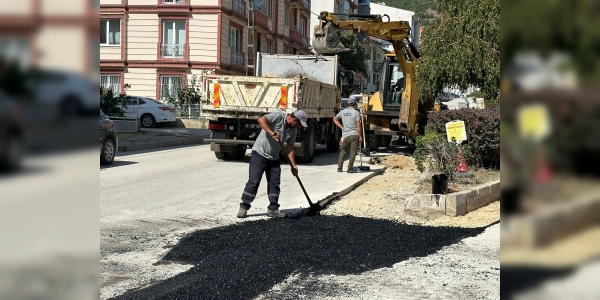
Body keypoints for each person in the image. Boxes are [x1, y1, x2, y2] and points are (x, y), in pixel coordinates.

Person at [237, 110, 308, 218]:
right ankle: (244, 207)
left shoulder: (292, 130)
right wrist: (271, 132)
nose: (299, 126)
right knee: (254, 181)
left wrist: (293, 166)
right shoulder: (278, 116)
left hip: (274, 158)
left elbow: (290, 148)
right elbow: (261, 120)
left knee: (274, 183)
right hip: (259, 154)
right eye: (299, 124)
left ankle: (273, 209)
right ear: (294, 120)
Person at [333, 96, 363, 173]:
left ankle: (339, 168)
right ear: (355, 104)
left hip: (345, 135)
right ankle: (350, 168)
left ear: (348, 104)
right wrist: (360, 136)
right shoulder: (356, 113)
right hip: (354, 134)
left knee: (343, 151)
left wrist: (342, 127)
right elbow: (358, 125)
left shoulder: (343, 112)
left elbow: (335, 119)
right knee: (353, 152)